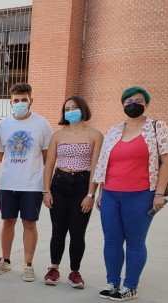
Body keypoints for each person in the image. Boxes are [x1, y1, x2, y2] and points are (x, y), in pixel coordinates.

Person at [93, 86, 168, 301]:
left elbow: (167, 160)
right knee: (112, 240)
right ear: (123, 104)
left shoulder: (157, 127)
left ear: (146, 104)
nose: (133, 104)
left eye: (138, 100)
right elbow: (104, 162)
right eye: (128, 101)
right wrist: (100, 191)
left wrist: (159, 194)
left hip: (140, 194)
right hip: (111, 193)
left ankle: (130, 286)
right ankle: (112, 282)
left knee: (135, 242)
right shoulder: (114, 130)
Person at [42, 96, 103, 288]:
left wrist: (91, 194)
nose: (71, 112)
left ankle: (74, 272)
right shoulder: (57, 135)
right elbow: (49, 164)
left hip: (82, 185)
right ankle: (53, 269)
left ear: (83, 109)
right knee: (58, 229)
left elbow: (96, 166)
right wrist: (46, 191)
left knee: (78, 231)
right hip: (59, 183)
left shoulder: (95, 135)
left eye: (74, 108)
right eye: (67, 109)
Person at [0, 83, 53, 282]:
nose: (20, 103)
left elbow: (47, 158)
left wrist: (46, 187)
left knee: (29, 223)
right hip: (7, 184)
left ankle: (28, 265)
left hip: (32, 185)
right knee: (7, 222)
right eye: (16, 100)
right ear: (11, 102)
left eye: (24, 100)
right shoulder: (3, 125)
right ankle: (5, 261)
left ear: (31, 101)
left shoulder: (42, 124)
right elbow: (1, 155)